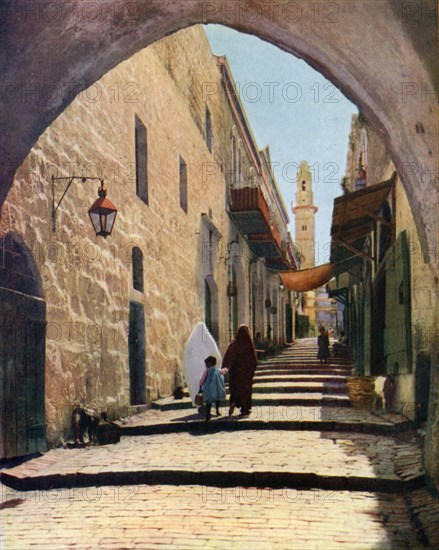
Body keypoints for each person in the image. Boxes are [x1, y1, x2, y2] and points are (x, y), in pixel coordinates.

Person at [222, 325, 258, 416]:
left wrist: (226, 367)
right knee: (245, 390)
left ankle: (233, 402)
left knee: (235, 389)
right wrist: (252, 369)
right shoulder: (249, 345)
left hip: (235, 373)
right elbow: (254, 359)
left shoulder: (233, 344)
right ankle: (244, 408)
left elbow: (227, 357)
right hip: (246, 373)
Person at [199, 356, 228, 422]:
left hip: (208, 390)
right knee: (217, 400)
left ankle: (208, 416)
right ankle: (217, 410)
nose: (205, 365)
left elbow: (202, 380)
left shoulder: (206, 371)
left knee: (208, 403)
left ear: (209, 363)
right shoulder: (218, 370)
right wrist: (226, 369)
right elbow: (224, 371)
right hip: (217, 389)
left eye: (206, 364)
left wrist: (200, 387)